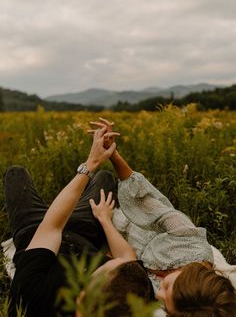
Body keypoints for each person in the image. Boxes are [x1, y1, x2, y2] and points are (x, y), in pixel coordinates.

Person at [89, 118, 236, 317]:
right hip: (118, 216)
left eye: (166, 306)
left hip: (107, 240)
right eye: (166, 289)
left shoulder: (175, 306)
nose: (159, 295)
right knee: (103, 178)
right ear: (189, 277)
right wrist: (112, 153)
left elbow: (127, 263)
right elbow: (146, 200)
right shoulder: (188, 238)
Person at [4, 126, 155, 317]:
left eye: (104, 266)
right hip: (83, 232)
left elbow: (52, 226)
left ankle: (59, 200)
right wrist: (104, 220)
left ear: (83, 298)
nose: (112, 259)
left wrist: (91, 163)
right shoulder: (131, 293)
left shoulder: (30, 298)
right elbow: (127, 258)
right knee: (105, 178)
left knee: (16, 174)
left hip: (36, 232)